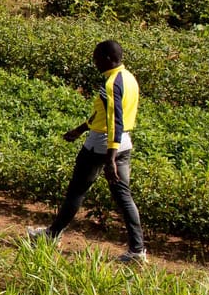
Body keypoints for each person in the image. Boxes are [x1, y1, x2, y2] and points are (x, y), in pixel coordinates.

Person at [28, 39, 146, 264]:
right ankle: (137, 251)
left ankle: (52, 235)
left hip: (103, 144)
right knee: (124, 197)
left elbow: (114, 121)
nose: (94, 62)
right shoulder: (129, 78)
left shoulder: (111, 84)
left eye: (96, 58)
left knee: (77, 191)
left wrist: (110, 158)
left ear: (108, 58)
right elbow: (103, 113)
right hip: (124, 143)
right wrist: (80, 129)